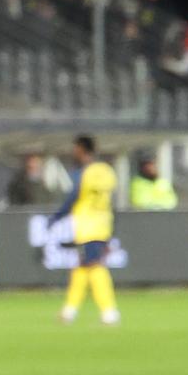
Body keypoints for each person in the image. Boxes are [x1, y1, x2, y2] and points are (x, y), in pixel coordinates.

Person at [54, 135, 119, 324]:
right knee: (83, 266)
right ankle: (69, 310)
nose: (73, 152)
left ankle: (109, 311)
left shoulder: (84, 173)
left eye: (75, 148)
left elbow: (74, 196)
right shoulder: (106, 170)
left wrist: (56, 217)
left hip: (87, 226)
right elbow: (112, 201)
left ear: (82, 149)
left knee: (94, 266)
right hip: (103, 224)